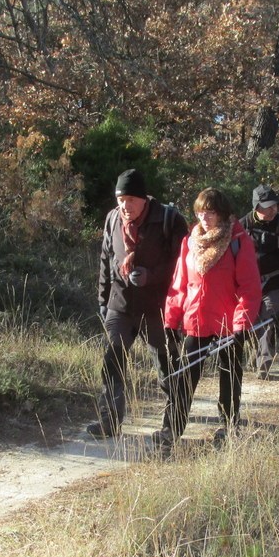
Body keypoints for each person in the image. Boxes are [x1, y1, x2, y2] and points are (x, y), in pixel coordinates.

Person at [155, 188, 262, 449]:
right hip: (197, 320)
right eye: (200, 212)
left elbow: (249, 287)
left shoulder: (238, 240)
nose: (204, 218)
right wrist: (170, 321)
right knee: (185, 378)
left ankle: (228, 426)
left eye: (210, 213)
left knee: (230, 377)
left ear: (222, 214)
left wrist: (241, 324)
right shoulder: (189, 243)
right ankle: (172, 429)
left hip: (229, 325)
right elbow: (180, 285)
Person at [87, 169, 188, 439]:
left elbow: (184, 264)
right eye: (121, 198)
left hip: (157, 309)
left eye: (131, 199)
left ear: (144, 199)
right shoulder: (112, 219)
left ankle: (172, 426)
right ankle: (109, 423)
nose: (125, 205)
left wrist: (151, 276)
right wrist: (102, 299)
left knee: (167, 368)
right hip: (120, 306)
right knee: (112, 361)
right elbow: (106, 261)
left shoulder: (169, 219)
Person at [239, 184, 279, 380]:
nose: (273, 210)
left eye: (275, 205)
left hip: (275, 282)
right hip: (248, 284)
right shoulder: (242, 226)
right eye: (267, 206)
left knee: (268, 320)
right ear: (256, 207)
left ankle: (263, 364)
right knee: (249, 322)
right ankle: (256, 352)